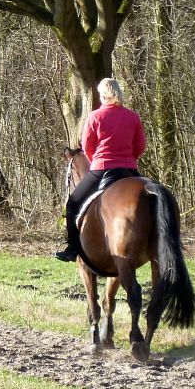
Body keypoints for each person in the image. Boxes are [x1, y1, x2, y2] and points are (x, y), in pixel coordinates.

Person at [55, 77, 146, 262]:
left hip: (102, 169)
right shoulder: (132, 117)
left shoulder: (94, 116)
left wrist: (96, 159)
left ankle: (72, 249)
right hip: (129, 169)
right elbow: (140, 146)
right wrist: (129, 159)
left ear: (102, 95)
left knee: (72, 204)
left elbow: (87, 146)